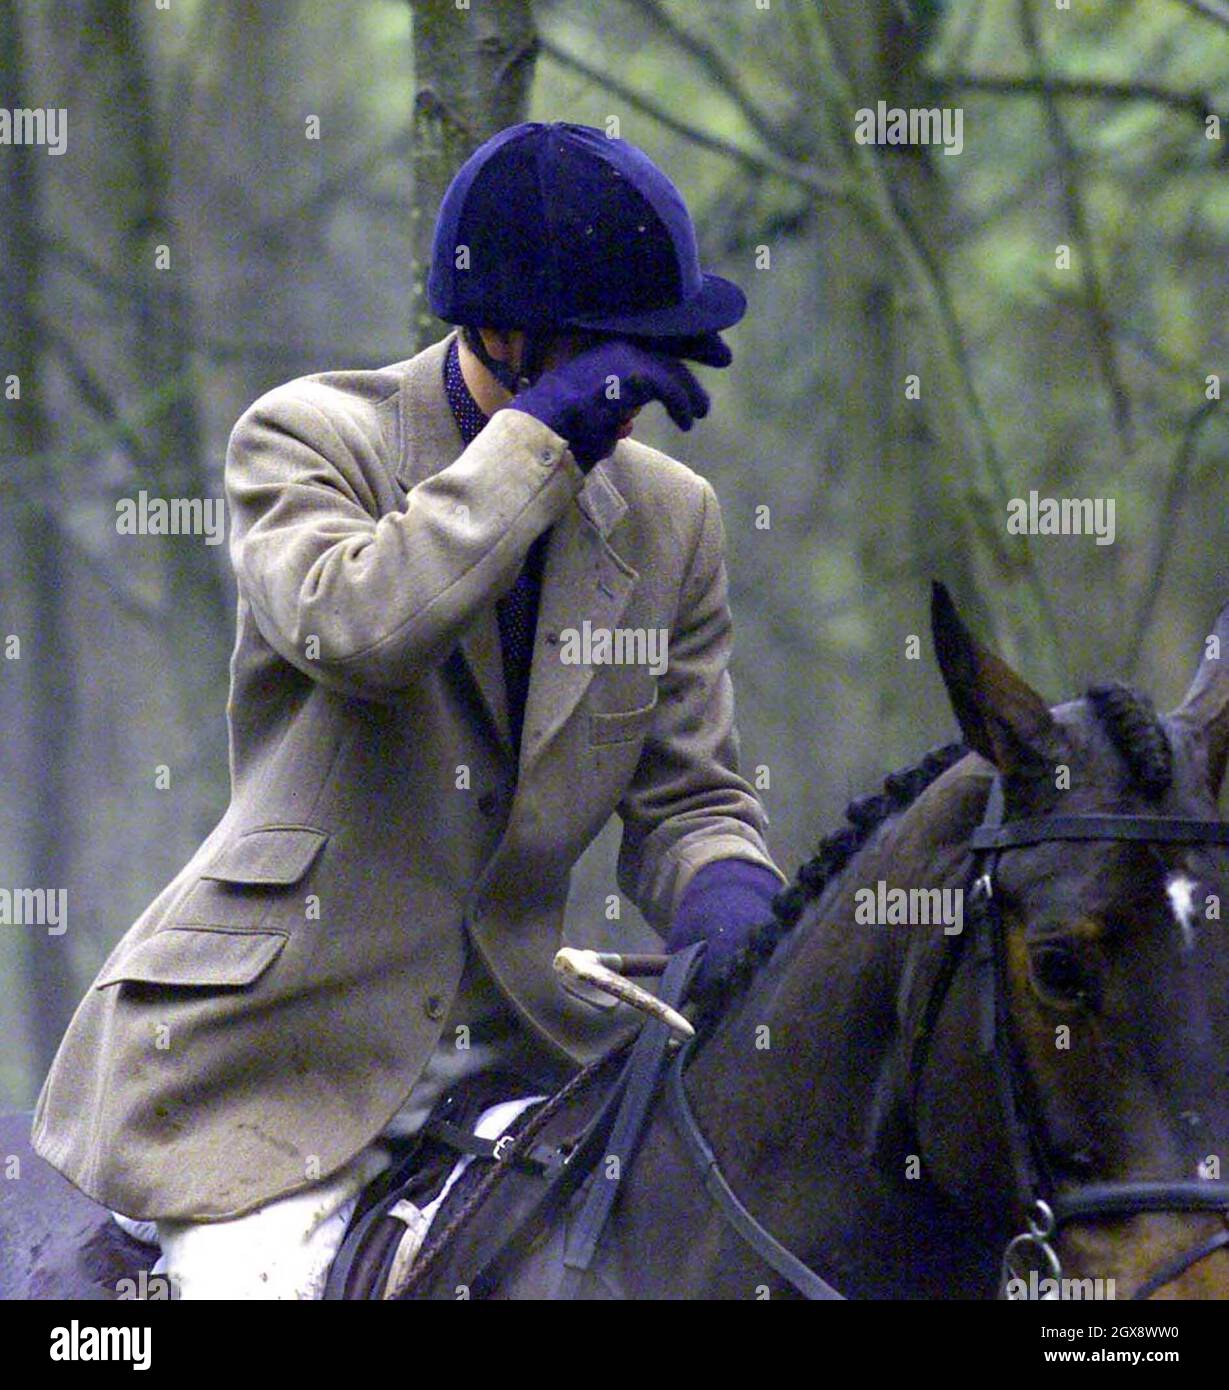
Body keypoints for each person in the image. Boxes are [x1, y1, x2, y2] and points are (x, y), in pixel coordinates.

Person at [31, 121, 786, 1298]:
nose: (637, 399)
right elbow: (362, 627)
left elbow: (689, 795)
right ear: (501, 333)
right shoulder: (306, 439)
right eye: (618, 361)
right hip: (269, 1052)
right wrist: (537, 442)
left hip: (530, 1047)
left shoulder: (670, 517)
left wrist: (736, 908)